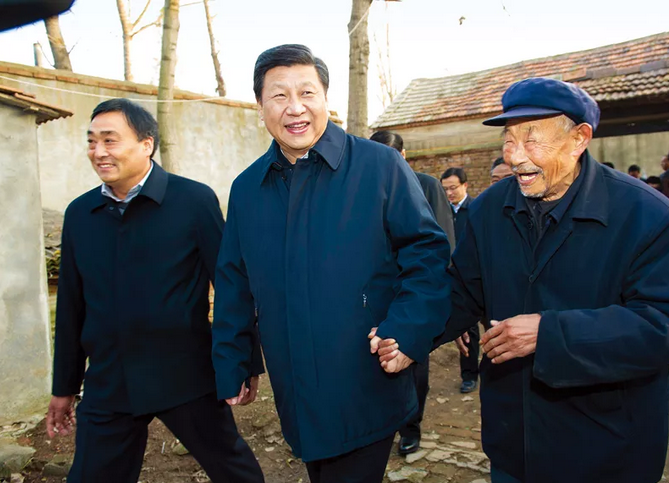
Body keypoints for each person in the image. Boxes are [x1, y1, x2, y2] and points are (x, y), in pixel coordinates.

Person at [385, 77, 669, 482]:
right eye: (508, 140)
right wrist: (409, 334)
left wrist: (549, 334)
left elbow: (660, 325)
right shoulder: (489, 210)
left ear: (579, 139)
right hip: (513, 444)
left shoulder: (646, 215)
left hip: (607, 449)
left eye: (531, 140)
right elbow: (462, 291)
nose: (515, 157)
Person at [211, 44, 451, 483]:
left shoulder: (379, 166)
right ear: (260, 106)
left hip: (364, 375)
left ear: (325, 98)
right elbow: (234, 281)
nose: (295, 108)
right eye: (279, 96)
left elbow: (427, 253)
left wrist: (409, 328)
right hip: (293, 381)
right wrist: (236, 359)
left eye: (307, 93)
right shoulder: (247, 188)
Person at [47, 98, 265, 483]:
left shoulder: (192, 201)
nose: (98, 152)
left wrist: (244, 362)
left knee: (234, 471)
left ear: (146, 144)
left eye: (110, 140)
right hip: (110, 380)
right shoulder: (80, 214)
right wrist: (64, 386)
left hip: (185, 373)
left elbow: (231, 285)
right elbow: (71, 306)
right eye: (92, 142)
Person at [369, 130, 455, 456]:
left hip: (412, 289)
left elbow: (441, 241)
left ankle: (411, 427)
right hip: (375, 293)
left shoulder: (427, 185)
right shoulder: (363, 188)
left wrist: (441, 294)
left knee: (412, 360)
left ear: (402, 156)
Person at [440, 167, 479, 394]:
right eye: (445, 189)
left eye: (453, 188)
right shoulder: (440, 210)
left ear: (465, 185)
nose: (449, 193)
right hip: (447, 273)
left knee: (469, 326)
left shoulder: (476, 209)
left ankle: (469, 374)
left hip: (469, 276)